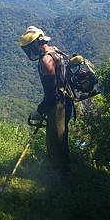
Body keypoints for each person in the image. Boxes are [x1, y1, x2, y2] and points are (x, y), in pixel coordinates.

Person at [18, 26, 74, 175]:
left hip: (57, 106)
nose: (30, 51)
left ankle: (59, 178)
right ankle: (63, 173)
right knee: (62, 141)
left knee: (56, 143)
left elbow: (52, 94)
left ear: (37, 43)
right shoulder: (56, 52)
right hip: (67, 102)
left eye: (30, 47)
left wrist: (40, 111)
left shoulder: (46, 61)